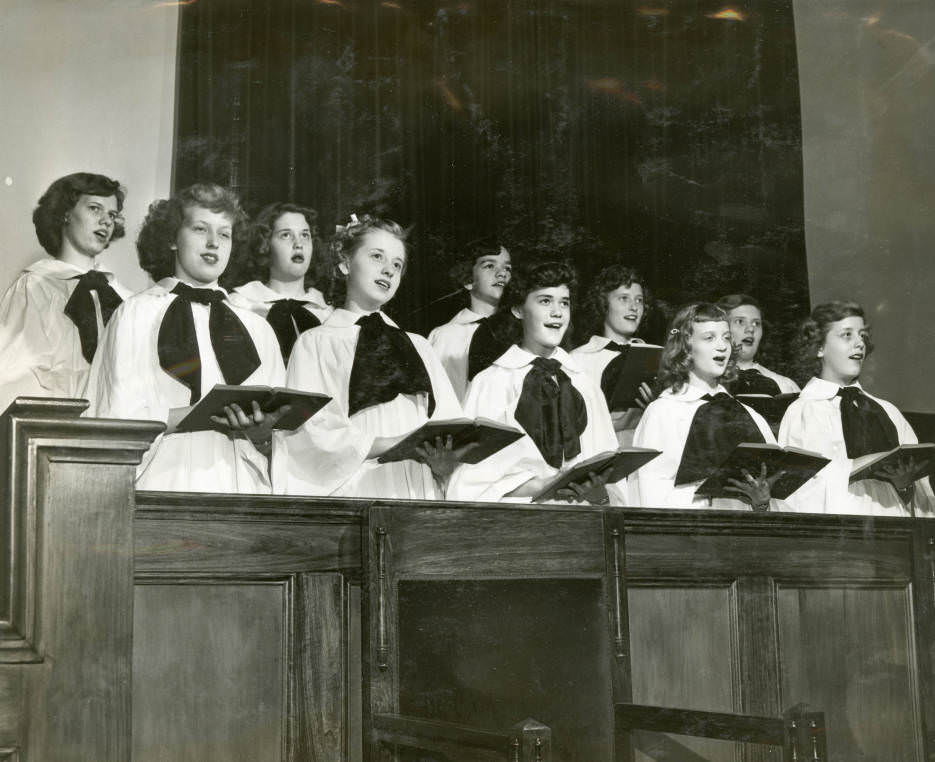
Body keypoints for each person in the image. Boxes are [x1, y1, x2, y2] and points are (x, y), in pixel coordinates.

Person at [86, 183, 287, 493]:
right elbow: (115, 419)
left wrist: (260, 431)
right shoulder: (136, 315)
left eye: (224, 234)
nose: (213, 243)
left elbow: (274, 433)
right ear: (172, 239)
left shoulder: (257, 327)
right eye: (199, 229)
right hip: (160, 481)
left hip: (238, 487)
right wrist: (202, 413)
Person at [274, 214, 462, 499]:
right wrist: (393, 443)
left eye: (397, 265)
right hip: (355, 486)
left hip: (415, 485)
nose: (388, 270)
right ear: (345, 263)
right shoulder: (316, 343)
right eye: (377, 256)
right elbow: (311, 432)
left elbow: (450, 425)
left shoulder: (420, 346)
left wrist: (445, 462)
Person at [447, 260, 623, 504]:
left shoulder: (585, 384)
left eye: (564, 302)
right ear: (518, 310)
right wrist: (542, 485)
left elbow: (610, 473)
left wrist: (599, 494)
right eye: (545, 301)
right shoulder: (492, 382)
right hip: (518, 526)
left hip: (581, 523)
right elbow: (469, 484)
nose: (557, 312)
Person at [778, 301, 934, 517]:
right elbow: (799, 492)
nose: (859, 343)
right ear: (819, 347)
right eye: (847, 335)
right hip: (844, 537)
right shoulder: (804, 411)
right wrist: (863, 463)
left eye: (862, 335)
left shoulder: (888, 411)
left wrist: (904, 484)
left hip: (895, 530)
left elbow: (922, 498)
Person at [631, 302, 785, 510]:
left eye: (726, 338)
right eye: (709, 338)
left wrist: (760, 502)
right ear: (685, 346)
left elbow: (770, 503)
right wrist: (708, 493)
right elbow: (648, 494)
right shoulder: (663, 412)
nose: (722, 346)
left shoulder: (749, 414)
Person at [0, 172, 132, 410]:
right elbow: (11, 378)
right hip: (50, 431)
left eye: (112, 214)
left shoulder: (125, 298)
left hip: (115, 430)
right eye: (95, 208)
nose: (106, 221)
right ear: (65, 213)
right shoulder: (34, 288)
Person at [227, 202, 332, 363]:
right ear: (265, 244)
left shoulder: (326, 313)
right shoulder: (240, 305)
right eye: (286, 235)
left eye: (305, 235)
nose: (298, 244)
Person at [571, 265, 656, 445]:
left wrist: (656, 407)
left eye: (639, 300)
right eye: (624, 298)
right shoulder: (577, 360)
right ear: (604, 304)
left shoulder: (657, 356)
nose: (634, 307)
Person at [427, 240, 513, 401]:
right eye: (489, 266)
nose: (502, 273)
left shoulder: (519, 331)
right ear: (468, 280)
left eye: (507, 268)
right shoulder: (445, 336)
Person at [716, 293, 799, 395]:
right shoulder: (705, 383)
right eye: (740, 321)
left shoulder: (786, 386)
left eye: (756, 323)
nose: (750, 329)